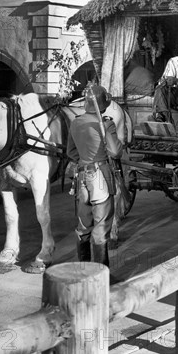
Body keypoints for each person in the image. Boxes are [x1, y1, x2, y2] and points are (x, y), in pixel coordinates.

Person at [67, 84, 123, 266]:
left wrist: (85, 158)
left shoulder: (76, 122)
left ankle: (84, 269)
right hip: (101, 179)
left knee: (83, 227)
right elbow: (115, 152)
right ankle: (101, 276)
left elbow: (71, 152)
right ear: (102, 104)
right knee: (101, 228)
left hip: (82, 177)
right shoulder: (106, 124)